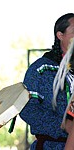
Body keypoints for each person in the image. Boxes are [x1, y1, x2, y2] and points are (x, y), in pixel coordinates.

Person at [19, 13, 74, 149]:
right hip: (51, 145)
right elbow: (26, 108)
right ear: (60, 35)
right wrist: (63, 124)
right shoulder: (42, 69)